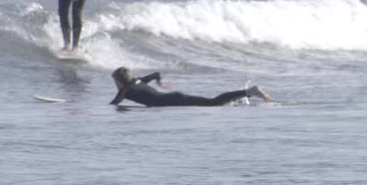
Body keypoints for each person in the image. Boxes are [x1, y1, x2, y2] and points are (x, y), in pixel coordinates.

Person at [110, 67, 272, 107]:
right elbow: (155, 74)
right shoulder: (138, 81)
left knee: (213, 103)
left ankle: (250, 92)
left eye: (115, 82)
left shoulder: (126, 90)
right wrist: (160, 81)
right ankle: (246, 96)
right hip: (174, 97)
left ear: (119, 81)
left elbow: (115, 102)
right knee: (213, 103)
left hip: (174, 101)